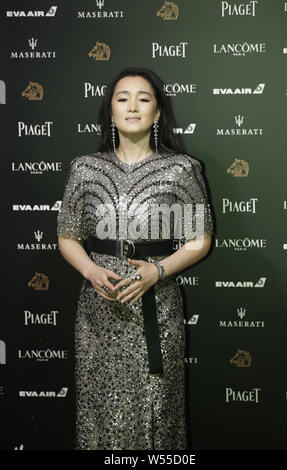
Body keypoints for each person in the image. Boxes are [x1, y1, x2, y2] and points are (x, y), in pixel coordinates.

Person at [57, 66, 214, 450]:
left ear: (157, 113)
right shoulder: (85, 168)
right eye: (122, 98)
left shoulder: (182, 168)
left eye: (143, 99)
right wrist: (91, 270)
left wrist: (156, 272)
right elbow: (67, 235)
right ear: (110, 110)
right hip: (98, 310)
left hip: (156, 311)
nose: (132, 106)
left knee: (157, 409)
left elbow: (200, 239)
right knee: (99, 410)